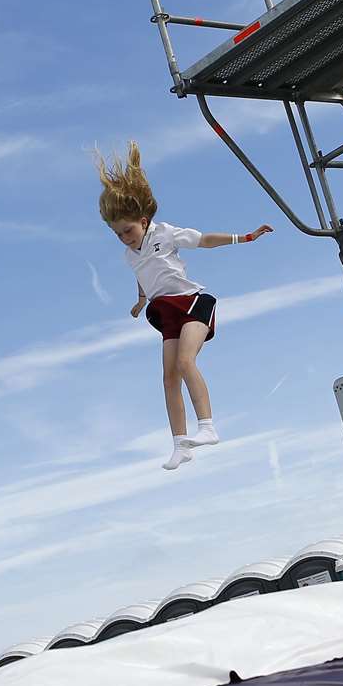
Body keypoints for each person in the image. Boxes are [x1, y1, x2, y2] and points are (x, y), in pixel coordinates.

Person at [95, 142, 273, 470]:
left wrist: (245, 237)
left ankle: (208, 428)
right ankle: (180, 444)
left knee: (185, 360)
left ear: (144, 221)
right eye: (118, 234)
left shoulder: (166, 233)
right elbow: (143, 274)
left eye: (128, 230)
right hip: (166, 312)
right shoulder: (129, 254)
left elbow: (204, 240)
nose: (124, 238)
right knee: (168, 377)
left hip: (194, 304)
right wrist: (140, 300)